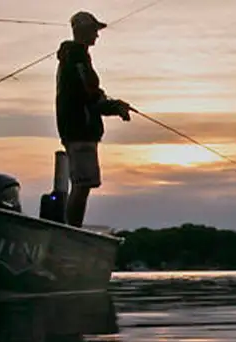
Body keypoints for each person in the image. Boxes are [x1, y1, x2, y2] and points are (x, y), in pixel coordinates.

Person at [54, 11, 132, 227]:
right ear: (81, 30)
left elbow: (90, 93)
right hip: (79, 130)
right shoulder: (77, 58)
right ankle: (72, 232)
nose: (97, 35)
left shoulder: (77, 58)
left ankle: (72, 230)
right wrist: (114, 107)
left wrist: (113, 105)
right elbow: (87, 96)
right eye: (94, 30)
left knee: (83, 184)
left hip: (79, 129)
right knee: (82, 184)